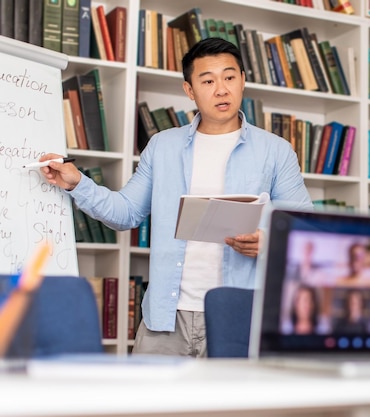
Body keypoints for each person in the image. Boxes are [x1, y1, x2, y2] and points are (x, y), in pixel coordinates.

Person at [38, 37, 312, 357]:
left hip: (239, 316)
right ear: (190, 90)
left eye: (230, 77)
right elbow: (125, 213)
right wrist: (76, 182)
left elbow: (303, 228)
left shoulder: (276, 151)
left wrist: (268, 242)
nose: (221, 89)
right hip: (165, 317)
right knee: (149, 407)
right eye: (208, 81)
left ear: (243, 80)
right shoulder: (163, 145)